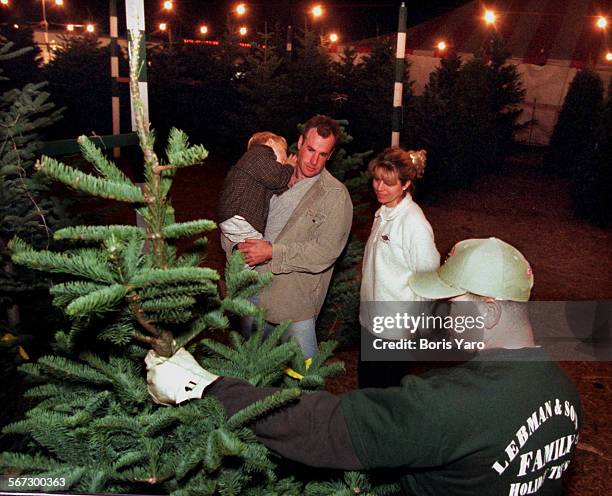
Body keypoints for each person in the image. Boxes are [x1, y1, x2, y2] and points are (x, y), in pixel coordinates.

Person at [146, 237, 581, 496]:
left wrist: (206, 386)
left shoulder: (453, 403)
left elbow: (325, 427)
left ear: (487, 313)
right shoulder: (562, 391)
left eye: (451, 304)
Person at [236, 115, 353, 358]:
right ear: (299, 142)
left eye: (322, 154)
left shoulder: (334, 196)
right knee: (250, 377)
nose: (313, 160)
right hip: (253, 295)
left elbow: (325, 251)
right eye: (310, 149)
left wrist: (272, 252)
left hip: (294, 305)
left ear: (330, 155)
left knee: (304, 384)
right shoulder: (271, 177)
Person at [359, 147, 440, 387]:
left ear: (405, 184)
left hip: (394, 332)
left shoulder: (414, 224)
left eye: (389, 183)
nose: (379, 188)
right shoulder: (384, 211)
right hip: (370, 322)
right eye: (377, 179)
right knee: (367, 391)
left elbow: (429, 279)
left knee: (387, 397)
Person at [217, 131, 295, 262]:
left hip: (231, 218)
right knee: (258, 250)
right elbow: (278, 178)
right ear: (270, 142)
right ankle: (242, 279)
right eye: (283, 153)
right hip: (240, 214)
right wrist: (289, 166)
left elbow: (276, 187)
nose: (283, 160)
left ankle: (237, 277)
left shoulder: (255, 167)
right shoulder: (260, 153)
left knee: (246, 255)